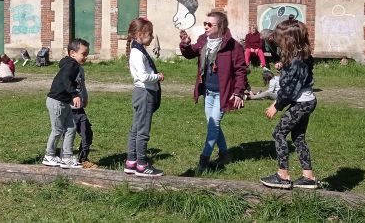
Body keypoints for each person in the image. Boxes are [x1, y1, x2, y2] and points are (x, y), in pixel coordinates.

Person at [179, 11, 247, 174]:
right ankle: (225, 154)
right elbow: (190, 53)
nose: (206, 27)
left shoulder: (233, 46)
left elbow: (240, 70)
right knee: (213, 125)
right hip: (208, 91)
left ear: (220, 26)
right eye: (205, 23)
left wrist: (238, 92)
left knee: (212, 125)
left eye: (210, 24)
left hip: (224, 94)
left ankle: (203, 162)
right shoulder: (204, 40)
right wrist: (186, 44)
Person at [260, 19, 318, 189]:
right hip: (307, 101)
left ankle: (282, 176)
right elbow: (297, 77)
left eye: (280, 39)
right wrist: (284, 66)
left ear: (289, 40)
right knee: (298, 137)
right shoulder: (300, 55)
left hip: (301, 104)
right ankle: (308, 177)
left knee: (278, 133)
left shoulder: (296, 61)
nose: (277, 41)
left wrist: (276, 106)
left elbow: (289, 89)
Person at [124, 18, 165, 177]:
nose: (152, 37)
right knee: (142, 131)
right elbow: (143, 76)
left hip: (142, 93)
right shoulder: (137, 53)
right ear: (140, 34)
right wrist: (157, 76)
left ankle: (131, 162)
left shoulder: (138, 49)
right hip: (144, 94)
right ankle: (141, 165)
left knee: (135, 129)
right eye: (150, 34)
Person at [42, 38, 89, 169]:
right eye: (83, 54)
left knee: (71, 128)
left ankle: (67, 157)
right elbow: (66, 79)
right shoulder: (71, 65)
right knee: (57, 130)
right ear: (73, 53)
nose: (86, 56)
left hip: (65, 102)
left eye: (87, 54)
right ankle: (49, 155)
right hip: (56, 102)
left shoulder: (73, 65)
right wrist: (74, 94)